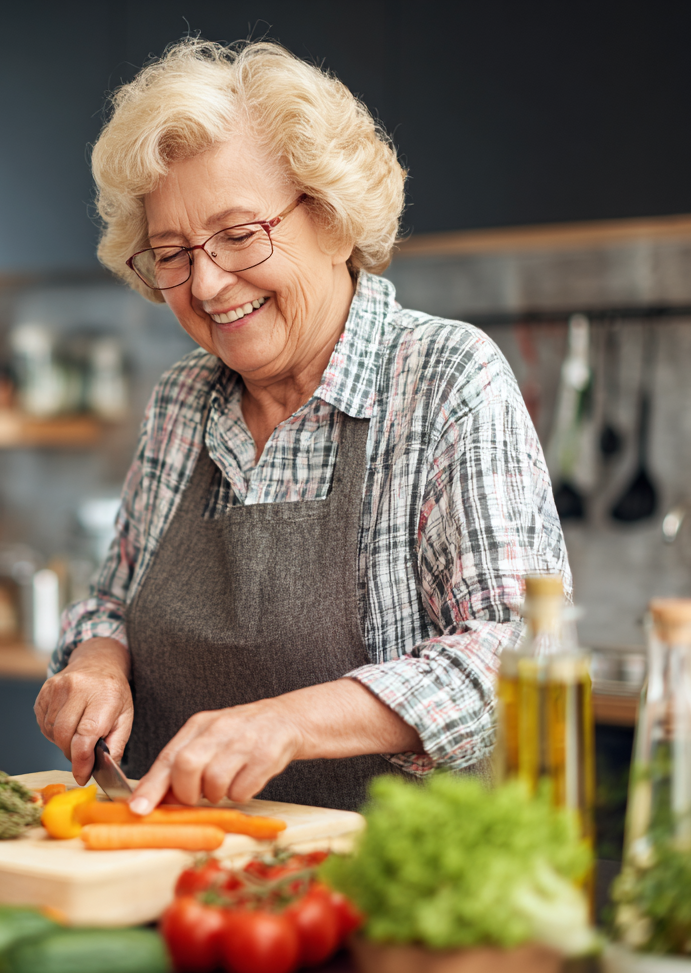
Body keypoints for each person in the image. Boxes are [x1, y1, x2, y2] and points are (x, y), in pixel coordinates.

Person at [33, 39, 569, 813]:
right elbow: (111, 600)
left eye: (241, 233)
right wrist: (95, 661)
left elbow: (519, 655)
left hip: (393, 894)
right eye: (172, 253)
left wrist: (290, 723)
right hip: (184, 881)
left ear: (335, 219)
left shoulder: (447, 377)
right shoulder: (184, 399)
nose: (209, 283)